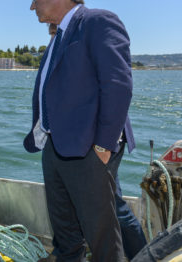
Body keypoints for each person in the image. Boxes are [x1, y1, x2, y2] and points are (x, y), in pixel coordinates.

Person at [23, 0, 136, 261]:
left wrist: (103, 145)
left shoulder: (98, 22)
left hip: (89, 150)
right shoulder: (56, 39)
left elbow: (117, 85)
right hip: (56, 149)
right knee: (66, 238)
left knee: (102, 241)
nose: (32, 5)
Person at [45, 22, 147, 260]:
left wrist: (103, 145)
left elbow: (117, 87)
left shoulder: (90, 35)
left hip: (97, 144)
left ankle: (143, 255)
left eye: (54, 30)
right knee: (112, 205)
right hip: (78, 143)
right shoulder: (59, 46)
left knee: (113, 209)